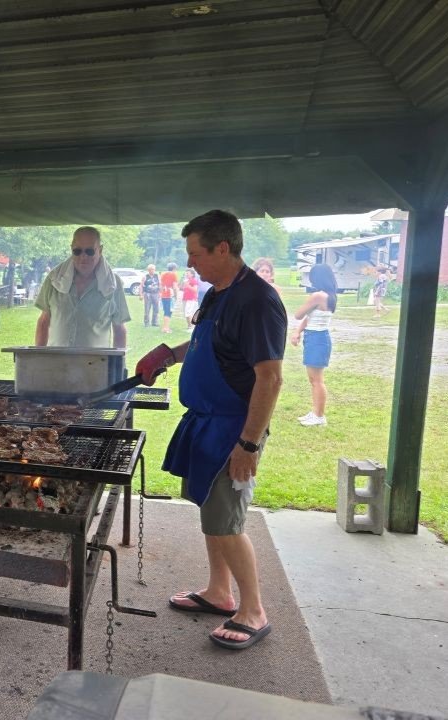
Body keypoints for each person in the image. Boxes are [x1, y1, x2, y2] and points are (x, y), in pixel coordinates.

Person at [135, 209, 286, 651]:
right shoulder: (218, 293)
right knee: (210, 513)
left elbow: (270, 378)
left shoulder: (256, 301)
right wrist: (169, 354)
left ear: (223, 248)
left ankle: (253, 610)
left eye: (195, 254)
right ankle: (220, 592)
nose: (189, 264)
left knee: (227, 521)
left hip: (232, 430)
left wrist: (249, 443)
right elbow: (207, 344)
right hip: (204, 423)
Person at [34, 226, 130, 348]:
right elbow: (43, 322)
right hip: (57, 363)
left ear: (100, 250)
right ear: (71, 249)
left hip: (95, 364)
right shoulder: (54, 279)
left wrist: (118, 365)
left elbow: (119, 329)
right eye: (77, 251)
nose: (83, 257)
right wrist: (38, 360)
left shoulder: (114, 284)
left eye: (90, 251)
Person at [291, 263, 337, 427]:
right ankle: (316, 412)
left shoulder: (318, 296)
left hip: (317, 339)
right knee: (314, 379)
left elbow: (298, 314)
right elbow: (309, 318)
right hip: (315, 337)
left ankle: (319, 416)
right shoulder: (329, 295)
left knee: (316, 380)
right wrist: (298, 332)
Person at [159, 262, 179, 334]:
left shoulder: (163, 274)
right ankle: (166, 328)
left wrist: (161, 293)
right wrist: (176, 296)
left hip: (163, 295)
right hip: (170, 295)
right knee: (168, 312)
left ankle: (165, 327)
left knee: (166, 311)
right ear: (174, 268)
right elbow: (174, 287)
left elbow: (160, 286)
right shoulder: (174, 274)